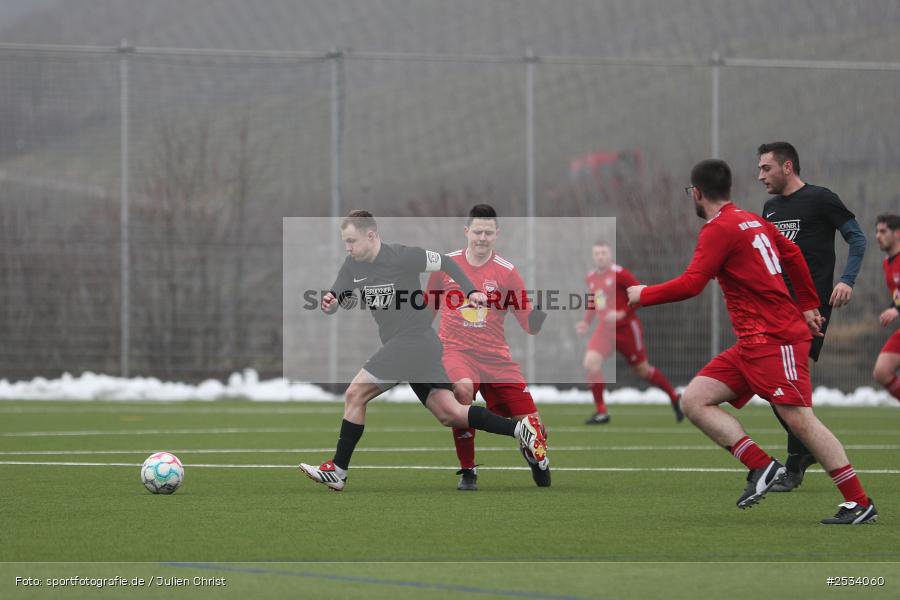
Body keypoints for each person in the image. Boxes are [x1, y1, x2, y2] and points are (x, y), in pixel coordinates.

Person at [626, 159, 876, 524]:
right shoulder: (751, 219)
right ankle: (762, 466)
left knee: (800, 421)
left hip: (776, 339)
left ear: (696, 193)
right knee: (695, 400)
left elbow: (692, 283)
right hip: (752, 344)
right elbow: (791, 254)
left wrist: (642, 294)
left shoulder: (719, 229)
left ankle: (858, 502)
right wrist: (808, 304)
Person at [299, 210, 548, 491]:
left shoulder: (403, 256)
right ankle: (521, 430)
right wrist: (331, 302)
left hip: (413, 340)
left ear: (371, 235)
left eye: (352, 241)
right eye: (346, 242)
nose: (348, 247)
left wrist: (469, 291)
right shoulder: (352, 265)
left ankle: (339, 469)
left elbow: (446, 263)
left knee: (355, 393)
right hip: (414, 347)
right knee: (451, 414)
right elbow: (338, 294)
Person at [757, 141, 868, 491]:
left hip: (811, 307)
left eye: (766, 168)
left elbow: (858, 238)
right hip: (775, 307)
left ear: (787, 167)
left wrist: (847, 281)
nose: (761, 176)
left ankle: (795, 464)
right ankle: (802, 451)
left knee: (787, 385)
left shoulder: (821, 199)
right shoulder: (770, 208)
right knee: (771, 384)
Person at [425, 204, 550, 491]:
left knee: (536, 429)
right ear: (466, 231)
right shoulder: (446, 266)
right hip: (456, 351)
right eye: (478, 231)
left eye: (488, 233)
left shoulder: (507, 273)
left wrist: (537, 317)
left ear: (497, 235)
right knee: (462, 391)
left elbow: (528, 324)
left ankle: (535, 457)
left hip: (496, 358)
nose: (482, 237)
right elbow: (427, 310)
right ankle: (468, 471)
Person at [575, 241, 682, 424]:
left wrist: (622, 313)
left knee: (642, 371)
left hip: (627, 329)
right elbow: (596, 301)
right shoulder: (592, 278)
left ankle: (673, 396)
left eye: (603, 253)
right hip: (605, 330)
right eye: (597, 253)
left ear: (610, 255)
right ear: (593, 257)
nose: (600, 256)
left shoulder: (621, 274)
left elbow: (641, 295)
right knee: (591, 363)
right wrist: (586, 322)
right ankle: (601, 412)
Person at [872, 214, 900, 402]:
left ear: (897, 233)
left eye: (883, 231)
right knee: (882, 371)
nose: (878, 236)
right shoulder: (886, 264)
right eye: (877, 231)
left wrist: (896, 310)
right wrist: (894, 307)